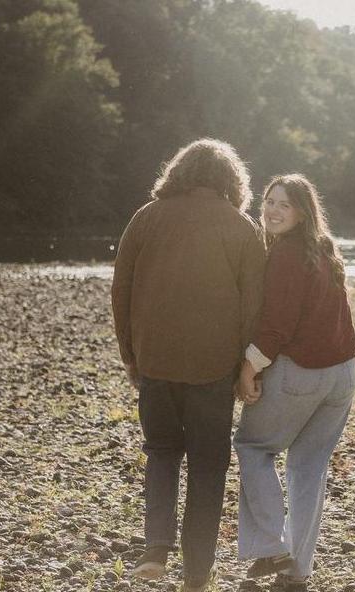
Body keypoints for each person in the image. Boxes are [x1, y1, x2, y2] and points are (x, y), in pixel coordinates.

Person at [111, 138, 266, 592]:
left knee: (161, 451)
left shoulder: (146, 218)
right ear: (231, 180)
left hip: (155, 361)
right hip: (213, 368)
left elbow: (121, 291)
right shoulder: (241, 227)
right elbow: (253, 307)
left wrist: (131, 354)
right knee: (208, 466)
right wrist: (247, 366)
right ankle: (196, 574)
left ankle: (156, 549)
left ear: (178, 172)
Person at [233, 174, 355, 592]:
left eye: (284, 204)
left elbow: (276, 326)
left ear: (302, 212)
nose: (272, 210)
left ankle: (271, 546)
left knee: (253, 446)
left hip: (304, 370)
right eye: (269, 201)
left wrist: (249, 367)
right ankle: (295, 573)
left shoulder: (286, 254)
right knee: (308, 467)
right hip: (343, 373)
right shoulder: (324, 248)